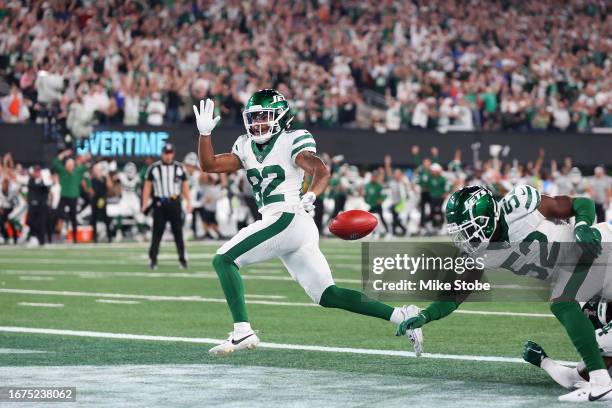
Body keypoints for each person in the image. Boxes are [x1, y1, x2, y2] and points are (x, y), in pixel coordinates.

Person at [192, 90, 420, 356]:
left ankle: (242, 330)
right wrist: (205, 134)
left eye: (265, 117)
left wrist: (313, 192)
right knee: (327, 295)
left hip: (287, 215)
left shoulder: (291, 140)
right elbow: (209, 165)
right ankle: (402, 316)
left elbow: (320, 170)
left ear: (281, 117)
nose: (258, 124)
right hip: (291, 225)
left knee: (224, 259)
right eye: (254, 118)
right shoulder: (245, 145)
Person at [399, 185, 612, 402]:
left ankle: (601, 382)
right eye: (461, 231)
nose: (466, 237)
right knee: (593, 333)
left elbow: (580, 203)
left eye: (469, 229)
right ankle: (600, 374)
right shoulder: (480, 253)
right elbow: (454, 295)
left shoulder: (519, 206)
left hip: (596, 251)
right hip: (590, 285)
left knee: (563, 302)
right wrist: (426, 315)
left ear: (486, 218)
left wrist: (583, 225)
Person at [141, 143, 191, 270]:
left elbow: (185, 186)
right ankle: (152, 260)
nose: (168, 156)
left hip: (175, 202)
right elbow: (147, 186)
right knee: (157, 233)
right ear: (162, 154)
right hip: (159, 203)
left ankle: (183, 259)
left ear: (173, 154)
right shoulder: (154, 168)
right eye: (166, 153)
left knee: (178, 233)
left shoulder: (179, 168)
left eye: (170, 153)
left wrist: (189, 202)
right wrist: (144, 203)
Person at [52, 149, 89, 243]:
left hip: (73, 197)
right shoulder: (63, 171)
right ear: (66, 166)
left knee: (73, 217)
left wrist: (85, 158)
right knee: (58, 214)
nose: (70, 167)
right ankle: (58, 233)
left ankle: (75, 237)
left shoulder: (78, 171)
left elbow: (86, 166)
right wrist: (63, 154)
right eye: (68, 165)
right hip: (64, 196)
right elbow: (55, 163)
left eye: (71, 165)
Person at [88, 163, 113, 243]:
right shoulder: (92, 179)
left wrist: (107, 176)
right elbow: (91, 190)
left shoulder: (104, 178)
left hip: (102, 200)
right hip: (95, 200)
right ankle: (95, 237)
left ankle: (109, 237)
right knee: (94, 219)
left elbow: (110, 186)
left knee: (105, 219)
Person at [27, 165, 51, 246]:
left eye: (38, 171)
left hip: (42, 206)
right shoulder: (31, 180)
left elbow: (46, 189)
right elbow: (31, 189)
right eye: (35, 171)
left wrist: (42, 181)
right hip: (33, 206)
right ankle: (35, 237)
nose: (37, 173)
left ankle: (42, 241)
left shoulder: (45, 181)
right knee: (30, 222)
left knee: (42, 223)